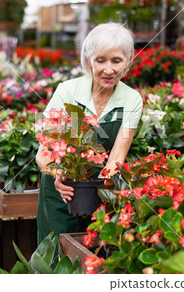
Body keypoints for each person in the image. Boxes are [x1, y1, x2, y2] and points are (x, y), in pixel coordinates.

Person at [36, 23, 143, 243]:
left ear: (128, 60)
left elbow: (116, 157)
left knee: (92, 257)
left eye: (116, 61)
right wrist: (57, 174)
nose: (109, 70)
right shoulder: (67, 91)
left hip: (99, 190)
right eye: (100, 60)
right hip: (59, 190)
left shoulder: (132, 99)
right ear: (88, 59)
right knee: (55, 256)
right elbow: (44, 150)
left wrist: (100, 191)